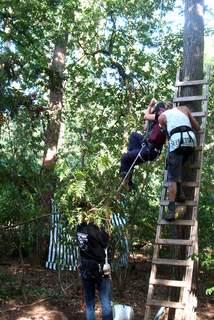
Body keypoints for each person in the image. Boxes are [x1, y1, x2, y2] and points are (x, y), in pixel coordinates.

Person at [158, 104, 200, 221]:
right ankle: (180, 192)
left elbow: (164, 131)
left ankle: (171, 212)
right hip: (190, 142)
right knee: (178, 166)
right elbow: (197, 127)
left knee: (171, 178)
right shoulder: (185, 109)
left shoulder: (162, 116)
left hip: (176, 142)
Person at [119, 98, 171, 190]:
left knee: (125, 158)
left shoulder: (162, 116)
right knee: (134, 136)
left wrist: (150, 105)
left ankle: (127, 181)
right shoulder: (157, 120)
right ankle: (128, 176)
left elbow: (146, 116)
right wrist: (150, 114)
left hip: (150, 149)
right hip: (147, 145)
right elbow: (145, 127)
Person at [76, 219, 113, 320]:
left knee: (89, 303)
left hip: (85, 268)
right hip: (99, 269)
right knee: (105, 301)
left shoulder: (79, 226)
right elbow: (105, 241)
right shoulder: (95, 228)